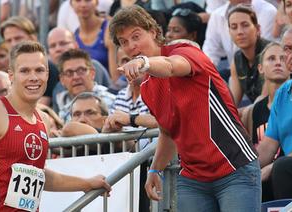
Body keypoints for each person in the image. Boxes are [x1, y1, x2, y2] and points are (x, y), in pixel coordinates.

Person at [109, 5, 261, 211]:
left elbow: (171, 66)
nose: (131, 46)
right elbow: (168, 132)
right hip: (193, 178)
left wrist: (145, 62)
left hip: (234, 166)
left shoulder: (184, 51)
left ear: (153, 32)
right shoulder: (147, 88)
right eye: (124, 42)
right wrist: (155, 170)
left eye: (136, 36)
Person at [0, 41, 111, 211]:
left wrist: (85, 183)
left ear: (47, 74)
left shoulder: (43, 119)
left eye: (39, 70)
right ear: (11, 76)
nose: (33, 77)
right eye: (24, 71)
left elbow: (37, 174)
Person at [240, 42, 290, 201]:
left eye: (283, 58)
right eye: (272, 58)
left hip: (288, 176)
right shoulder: (253, 111)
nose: (278, 62)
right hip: (261, 181)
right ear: (260, 68)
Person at [257, 24, 292, 200]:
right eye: (289, 49)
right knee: (251, 180)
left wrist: (273, 166)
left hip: (290, 167)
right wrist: (245, 170)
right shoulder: (283, 93)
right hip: (291, 166)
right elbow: (268, 146)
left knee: (282, 168)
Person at [0, 16, 60, 106]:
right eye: (9, 40)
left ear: (33, 38)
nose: (13, 44)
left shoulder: (47, 67)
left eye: (18, 38)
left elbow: (40, 107)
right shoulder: (4, 70)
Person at [54, 49, 115, 121]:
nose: (75, 77)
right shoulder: (63, 111)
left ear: (92, 73)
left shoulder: (113, 103)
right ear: (62, 80)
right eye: (69, 73)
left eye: (81, 70)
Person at [228, 4, 271, 105]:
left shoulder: (270, 53)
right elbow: (232, 102)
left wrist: (243, 113)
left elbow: (264, 101)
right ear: (229, 32)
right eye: (234, 27)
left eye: (245, 25)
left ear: (258, 29)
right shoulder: (236, 60)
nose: (239, 32)